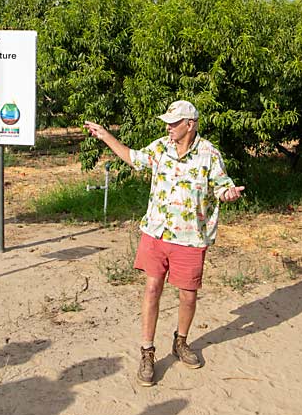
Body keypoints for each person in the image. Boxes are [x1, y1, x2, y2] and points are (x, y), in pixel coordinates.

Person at [83, 100, 245, 387]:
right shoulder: (160, 147)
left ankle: (180, 342)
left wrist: (228, 194)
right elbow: (133, 157)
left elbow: (222, 187)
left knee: (188, 295)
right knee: (152, 288)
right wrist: (106, 135)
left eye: (173, 123)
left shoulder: (209, 154)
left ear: (190, 124)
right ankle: (147, 351)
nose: (168, 127)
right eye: (167, 123)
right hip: (156, 233)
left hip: (191, 237)